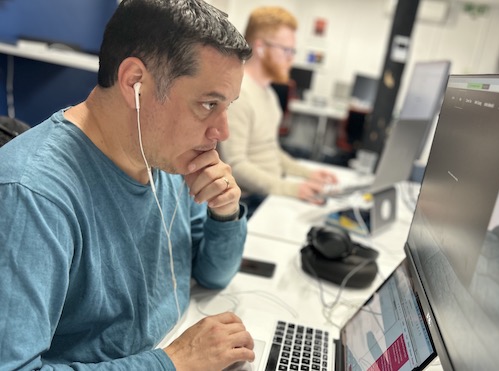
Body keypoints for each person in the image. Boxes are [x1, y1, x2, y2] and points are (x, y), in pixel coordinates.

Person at [0, 0, 256, 369]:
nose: (222, 131)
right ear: (135, 82)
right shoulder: (33, 195)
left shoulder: (165, 155)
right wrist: (174, 362)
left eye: (227, 105)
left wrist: (225, 213)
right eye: (208, 103)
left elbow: (211, 274)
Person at [217, 6, 338, 216]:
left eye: (293, 51)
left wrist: (308, 175)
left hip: (269, 192)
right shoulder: (239, 94)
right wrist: (291, 189)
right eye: (286, 50)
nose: (291, 58)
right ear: (261, 48)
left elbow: (271, 151)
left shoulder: (269, 95)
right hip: (247, 202)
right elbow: (235, 164)